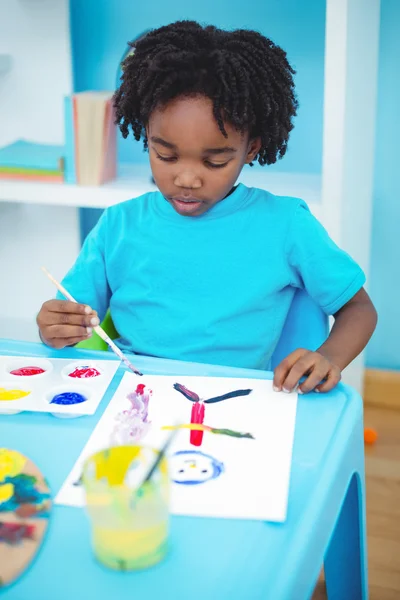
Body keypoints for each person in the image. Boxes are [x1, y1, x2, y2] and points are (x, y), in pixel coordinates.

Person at [36, 20, 377, 394]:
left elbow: (358, 309)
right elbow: (70, 320)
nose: (187, 179)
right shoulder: (118, 225)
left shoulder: (286, 225)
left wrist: (329, 356)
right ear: (146, 137)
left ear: (251, 149)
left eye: (214, 162)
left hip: (238, 402)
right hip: (133, 397)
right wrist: (54, 326)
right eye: (165, 155)